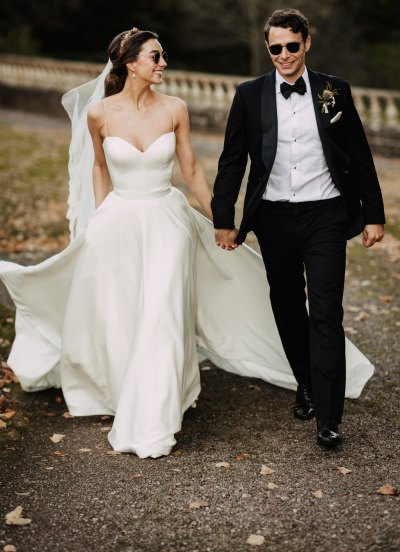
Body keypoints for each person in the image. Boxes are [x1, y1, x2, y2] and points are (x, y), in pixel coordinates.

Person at [0, 27, 376, 458]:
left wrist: (222, 221)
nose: (163, 63)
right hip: (118, 222)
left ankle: (159, 410)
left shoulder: (175, 108)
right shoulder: (99, 114)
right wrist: (100, 217)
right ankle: (126, 389)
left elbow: (194, 171)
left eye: (163, 56)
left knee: (163, 309)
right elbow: (99, 170)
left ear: (305, 43)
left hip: (167, 221)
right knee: (126, 309)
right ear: (130, 63)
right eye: (155, 56)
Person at [212, 8, 385, 448]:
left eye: (292, 45)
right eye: (275, 48)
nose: (284, 54)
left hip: (326, 214)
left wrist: (374, 213)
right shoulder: (249, 95)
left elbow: (358, 155)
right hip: (273, 217)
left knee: (326, 311)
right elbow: (232, 161)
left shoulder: (334, 91)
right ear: (267, 48)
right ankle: (305, 382)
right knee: (288, 306)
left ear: (306, 43)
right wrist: (224, 219)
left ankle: (328, 417)